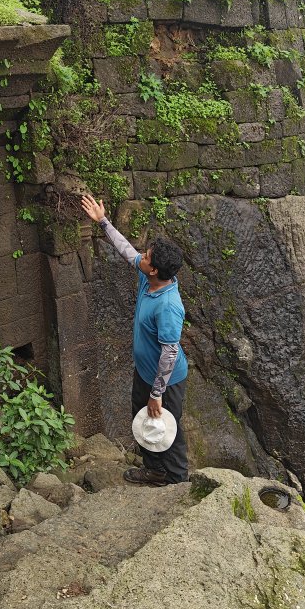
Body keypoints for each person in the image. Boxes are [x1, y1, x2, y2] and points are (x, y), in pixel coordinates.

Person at [81, 193, 189, 485]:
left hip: (167, 379)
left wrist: (157, 393)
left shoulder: (168, 305)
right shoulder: (149, 278)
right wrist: (102, 222)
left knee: (169, 427)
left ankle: (179, 484)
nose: (140, 256)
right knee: (143, 420)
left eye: (147, 256)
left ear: (154, 269)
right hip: (145, 372)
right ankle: (154, 471)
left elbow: (169, 352)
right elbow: (127, 250)